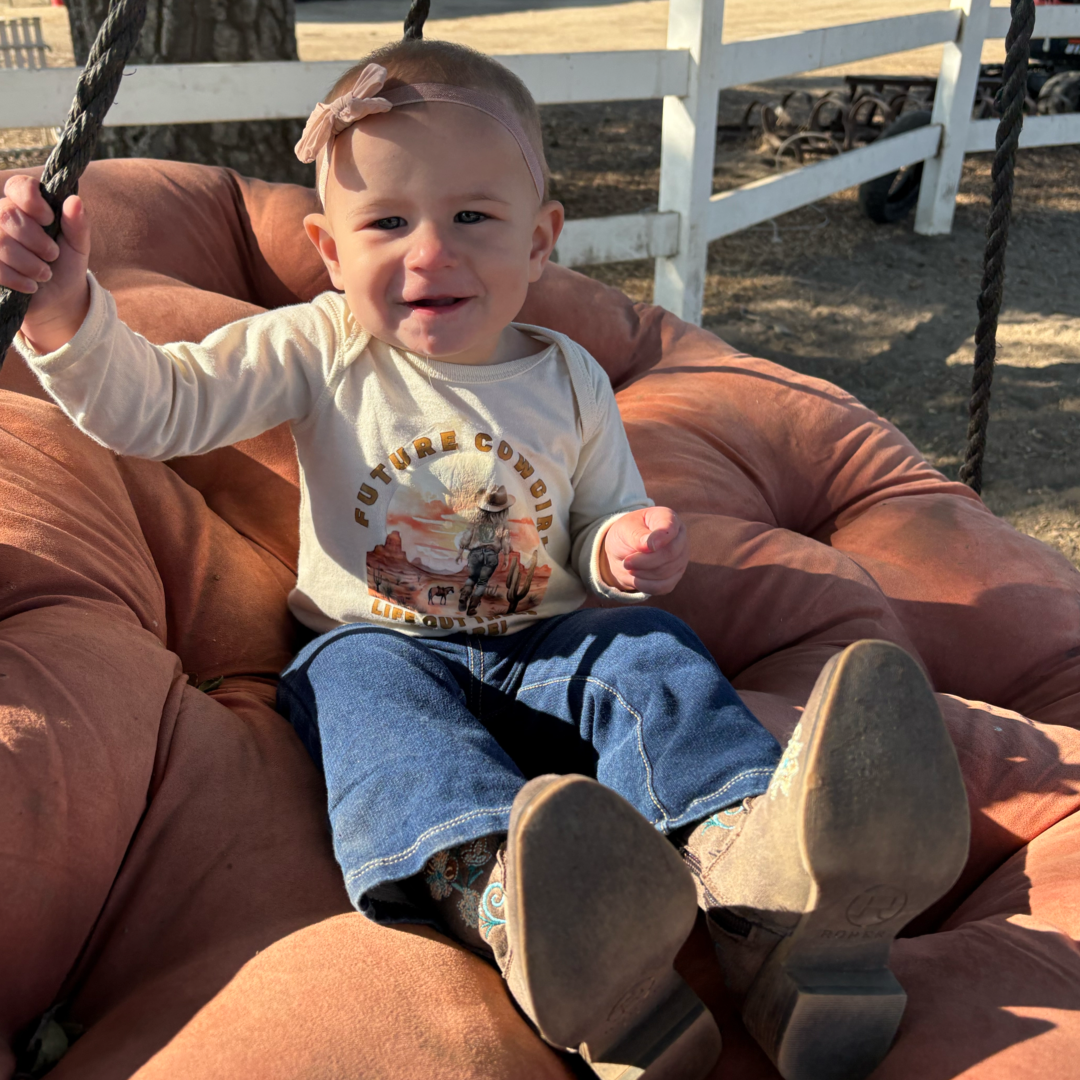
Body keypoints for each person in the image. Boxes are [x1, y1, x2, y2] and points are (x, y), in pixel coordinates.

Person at [0, 38, 970, 1080]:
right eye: (386, 222)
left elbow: (605, 521)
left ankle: (763, 882)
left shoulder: (569, 378)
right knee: (365, 704)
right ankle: (519, 906)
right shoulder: (321, 347)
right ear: (329, 252)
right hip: (380, 639)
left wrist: (625, 550)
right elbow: (158, 405)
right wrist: (64, 313)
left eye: (471, 218)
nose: (429, 253)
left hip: (546, 636)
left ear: (539, 240)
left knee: (648, 649)